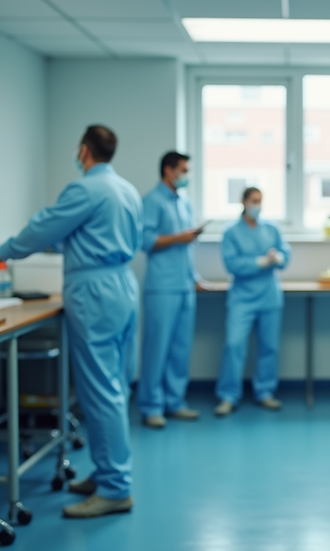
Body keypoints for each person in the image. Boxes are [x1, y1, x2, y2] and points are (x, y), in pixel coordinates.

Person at [0, 125, 141, 519]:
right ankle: (107, 473)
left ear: (84, 151)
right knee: (112, 387)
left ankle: (116, 488)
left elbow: (41, 230)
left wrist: (1, 251)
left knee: (100, 393)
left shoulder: (85, 189)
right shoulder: (127, 190)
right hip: (122, 284)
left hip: (94, 292)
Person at [138, 151, 204, 428]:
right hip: (161, 287)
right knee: (156, 349)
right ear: (168, 170)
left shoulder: (184, 202)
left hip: (184, 286)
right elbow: (145, 241)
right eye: (183, 170)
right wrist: (180, 237)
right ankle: (151, 407)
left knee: (180, 348)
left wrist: (195, 278)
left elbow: (185, 249)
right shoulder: (152, 201)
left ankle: (175, 402)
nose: (186, 175)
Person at [214, 187, 290, 417]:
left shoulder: (272, 228)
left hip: (269, 297)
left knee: (269, 347)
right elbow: (232, 264)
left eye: (260, 200)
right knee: (234, 345)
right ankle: (228, 396)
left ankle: (264, 392)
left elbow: (285, 255)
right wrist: (260, 262)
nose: (257, 205)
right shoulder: (230, 232)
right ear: (243, 202)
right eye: (253, 200)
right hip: (242, 299)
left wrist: (279, 258)